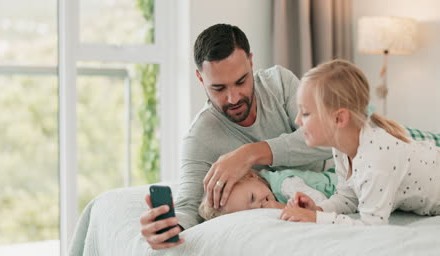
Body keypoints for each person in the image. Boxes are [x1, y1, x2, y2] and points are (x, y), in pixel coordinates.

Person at [139, 23, 333, 250]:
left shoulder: (279, 84)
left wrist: (250, 154)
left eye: (241, 81)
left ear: (251, 62)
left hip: (333, 192)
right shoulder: (200, 138)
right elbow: (188, 207)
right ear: (200, 79)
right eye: (219, 88)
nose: (233, 98)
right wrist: (166, 228)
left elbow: (328, 139)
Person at [280, 59, 440, 225]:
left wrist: (317, 219)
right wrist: (317, 210)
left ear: (339, 118)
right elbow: (348, 198)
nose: (298, 120)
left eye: (305, 113)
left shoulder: (375, 159)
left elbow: (372, 226)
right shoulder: (342, 149)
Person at [199, 169, 338, 220]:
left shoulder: (285, 184)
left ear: (252, 176)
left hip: (343, 186)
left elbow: (320, 205)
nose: (259, 206)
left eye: (252, 197)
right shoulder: (265, 192)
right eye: (251, 211)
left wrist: (280, 207)